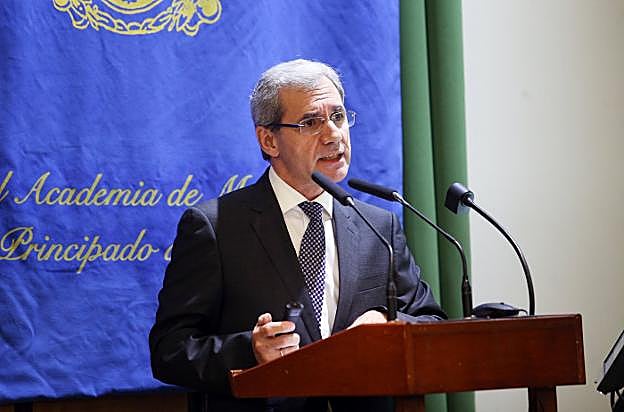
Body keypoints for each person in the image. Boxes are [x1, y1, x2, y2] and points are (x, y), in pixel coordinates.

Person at [149, 59, 446, 412]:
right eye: (311, 122)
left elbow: (431, 322)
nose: (333, 134)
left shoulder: (378, 227)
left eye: (338, 116)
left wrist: (386, 323)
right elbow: (170, 349)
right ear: (268, 140)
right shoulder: (215, 227)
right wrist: (249, 350)